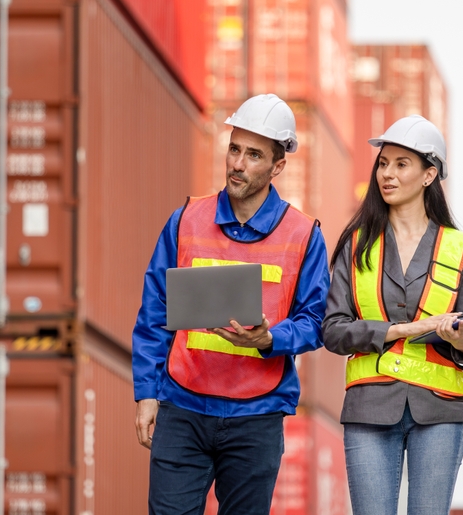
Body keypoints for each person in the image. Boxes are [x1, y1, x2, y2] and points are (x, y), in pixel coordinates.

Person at [132, 94, 330, 515]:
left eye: (254, 154)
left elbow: (316, 322)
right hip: (182, 406)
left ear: (278, 166)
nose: (238, 163)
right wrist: (147, 393)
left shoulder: (303, 235)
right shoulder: (185, 220)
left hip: (256, 416)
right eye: (234, 148)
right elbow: (154, 311)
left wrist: (270, 337)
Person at [322, 115, 463, 515]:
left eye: (401, 164)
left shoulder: (459, 247)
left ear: (430, 174)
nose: (387, 174)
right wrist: (407, 329)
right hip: (370, 407)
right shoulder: (357, 244)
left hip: (439, 409)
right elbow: (332, 331)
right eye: (382, 163)